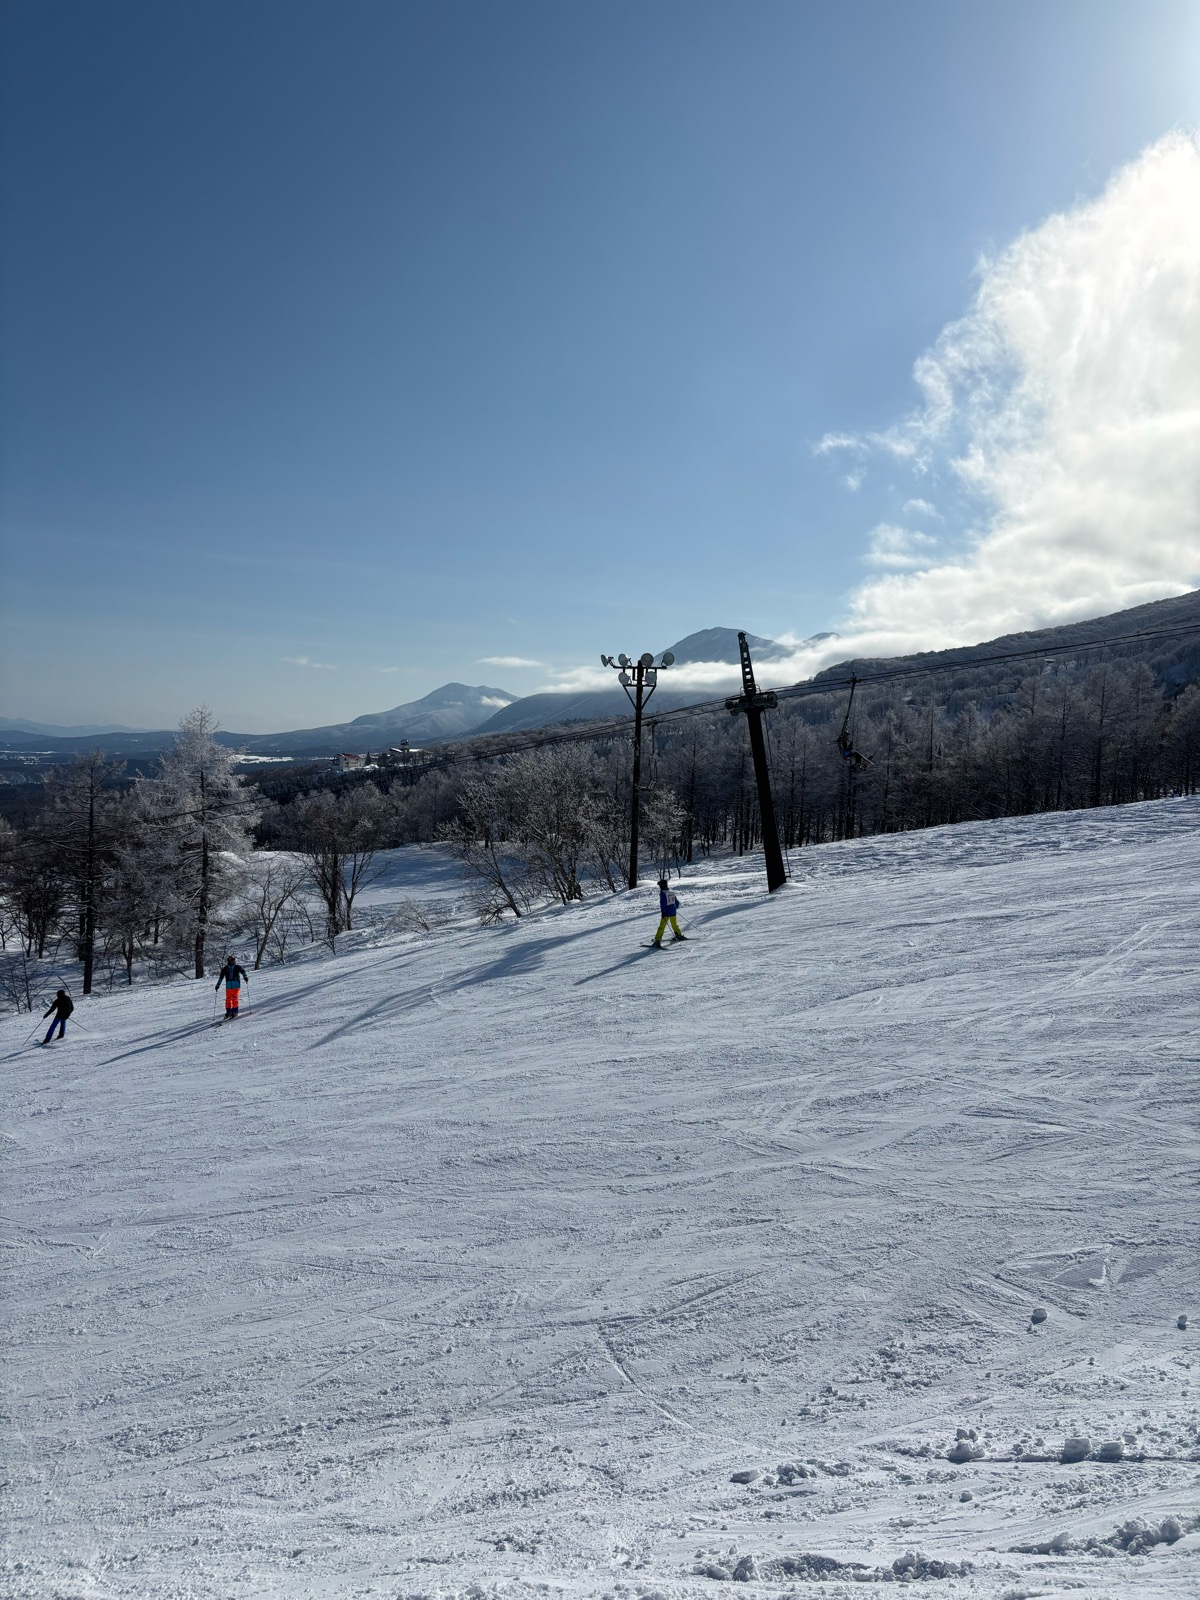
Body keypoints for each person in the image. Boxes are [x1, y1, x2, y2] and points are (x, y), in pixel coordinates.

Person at [652, 877, 687, 947]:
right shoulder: (671, 892)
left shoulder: (663, 893)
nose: (659, 887)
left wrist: (663, 912)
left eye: (660, 886)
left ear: (662, 886)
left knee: (662, 926)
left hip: (667, 913)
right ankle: (678, 935)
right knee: (674, 925)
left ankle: (657, 940)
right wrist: (674, 908)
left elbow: (663, 904)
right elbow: (677, 902)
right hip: (673, 912)